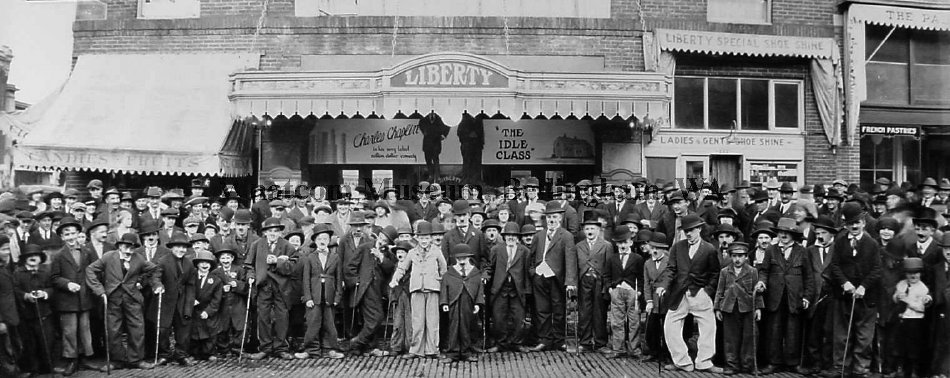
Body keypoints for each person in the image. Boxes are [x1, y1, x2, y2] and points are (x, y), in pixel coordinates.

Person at [655, 214, 722, 373]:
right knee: (670, 326)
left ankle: (704, 362)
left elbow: (714, 273)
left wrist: (707, 291)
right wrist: (663, 285)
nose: (689, 233)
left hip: (699, 293)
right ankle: (682, 361)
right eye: (686, 231)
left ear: (699, 229)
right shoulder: (678, 247)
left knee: (708, 327)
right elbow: (671, 269)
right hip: (679, 293)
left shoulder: (709, 249)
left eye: (692, 230)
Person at [85, 232, 161, 370]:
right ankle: (116, 360)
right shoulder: (109, 257)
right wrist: (99, 290)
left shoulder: (139, 258)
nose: (128, 251)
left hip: (132, 298)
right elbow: (90, 270)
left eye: (132, 248)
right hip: (112, 298)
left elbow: (154, 269)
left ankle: (136, 360)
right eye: (126, 247)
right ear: (119, 246)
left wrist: (144, 282)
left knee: (137, 328)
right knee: (113, 329)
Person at [824, 202, 882, 378]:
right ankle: (841, 366)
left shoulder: (872, 243)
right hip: (844, 296)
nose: (854, 226)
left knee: (864, 336)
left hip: (866, 297)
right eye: (850, 224)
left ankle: (861, 369)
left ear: (863, 222)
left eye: (857, 222)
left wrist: (864, 286)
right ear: (846, 225)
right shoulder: (840, 242)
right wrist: (845, 283)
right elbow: (834, 266)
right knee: (841, 334)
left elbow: (877, 269)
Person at [755, 217, 814, 374]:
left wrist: (807, 296)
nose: (783, 235)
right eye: (781, 232)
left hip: (795, 297)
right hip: (774, 297)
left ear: (793, 235)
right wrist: (762, 282)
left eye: (787, 232)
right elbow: (764, 271)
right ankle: (774, 362)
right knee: (774, 330)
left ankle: (793, 363)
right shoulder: (770, 250)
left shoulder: (803, 251)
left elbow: (809, 277)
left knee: (793, 330)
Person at [50, 217, 100, 375]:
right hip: (67, 300)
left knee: (85, 329)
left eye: (73, 233)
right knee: (69, 330)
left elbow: (93, 271)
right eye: (67, 234)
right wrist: (67, 284)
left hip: (84, 298)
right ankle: (72, 359)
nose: (71, 237)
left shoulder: (87, 252)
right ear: (62, 237)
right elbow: (54, 278)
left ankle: (85, 357)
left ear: (79, 233)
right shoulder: (58, 255)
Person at [389, 221, 445, 359]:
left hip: (432, 289)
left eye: (427, 238)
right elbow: (403, 268)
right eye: (421, 238)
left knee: (432, 321)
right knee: (417, 321)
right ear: (417, 238)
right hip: (416, 290)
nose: (424, 241)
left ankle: (432, 350)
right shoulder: (412, 253)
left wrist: (440, 282)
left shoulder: (437, 252)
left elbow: (444, 270)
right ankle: (416, 350)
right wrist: (395, 279)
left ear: (431, 238)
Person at [245, 218, 298, 360]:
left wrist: (278, 262)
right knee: (263, 317)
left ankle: (281, 348)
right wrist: (251, 276)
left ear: (280, 232)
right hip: (263, 286)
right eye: (270, 231)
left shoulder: (287, 246)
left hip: (282, 287)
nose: (273, 233)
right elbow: (248, 265)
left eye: (276, 231)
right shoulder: (257, 245)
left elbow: (293, 267)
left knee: (282, 317)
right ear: (265, 232)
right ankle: (265, 348)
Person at [714, 242, 764, 376]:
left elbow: (756, 291)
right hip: (729, 308)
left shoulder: (752, 271)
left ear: (746, 257)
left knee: (750, 337)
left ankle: (748, 365)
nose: (737, 259)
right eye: (734, 256)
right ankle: (731, 364)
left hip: (747, 306)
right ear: (730, 256)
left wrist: (758, 308)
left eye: (741, 256)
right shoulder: (725, 271)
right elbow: (719, 290)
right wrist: (717, 308)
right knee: (730, 338)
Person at [297, 224, 345, 360]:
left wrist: (337, 297)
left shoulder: (335, 257)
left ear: (329, 240)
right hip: (314, 295)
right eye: (319, 239)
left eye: (325, 238)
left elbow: (338, 278)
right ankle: (311, 350)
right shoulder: (310, 258)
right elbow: (305, 279)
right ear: (315, 241)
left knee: (330, 323)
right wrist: (308, 298)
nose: (322, 241)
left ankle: (331, 349)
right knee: (313, 323)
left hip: (329, 295)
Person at [151, 232, 197, 366]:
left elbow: (191, 285)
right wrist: (158, 286)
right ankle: (164, 354)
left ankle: (181, 354)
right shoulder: (163, 261)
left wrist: (189, 303)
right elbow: (156, 277)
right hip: (166, 300)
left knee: (183, 329)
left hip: (182, 301)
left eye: (184, 247)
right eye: (178, 247)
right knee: (163, 329)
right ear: (172, 247)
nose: (181, 250)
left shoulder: (189, 264)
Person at [484, 223, 530, 353]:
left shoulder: (524, 251)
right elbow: (490, 267)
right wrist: (485, 276)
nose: (511, 238)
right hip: (500, 287)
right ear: (504, 237)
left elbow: (526, 271)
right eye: (508, 235)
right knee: (499, 317)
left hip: (517, 288)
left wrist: (527, 290)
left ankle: (516, 343)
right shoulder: (496, 249)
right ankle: (501, 343)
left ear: (518, 237)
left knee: (518, 317)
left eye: (514, 235)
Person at [802, 216, 838, 375]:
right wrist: (807, 296)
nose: (820, 236)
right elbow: (808, 275)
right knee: (813, 332)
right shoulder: (810, 250)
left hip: (832, 298)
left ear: (831, 234)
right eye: (817, 233)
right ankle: (814, 363)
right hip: (815, 296)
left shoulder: (838, 249)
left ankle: (827, 364)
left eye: (823, 233)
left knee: (829, 332)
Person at [572, 211, 611, 353]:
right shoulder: (578, 246)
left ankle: (601, 343)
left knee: (599, 312)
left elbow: (608, 267)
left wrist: (607, 286)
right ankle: (585, 342)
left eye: (593, 228)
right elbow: (574, 266)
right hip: (584, 281)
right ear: (583, 230)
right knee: (584, 312)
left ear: (599, 230)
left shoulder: (606, 245)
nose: (590, 231)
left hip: (599, 282)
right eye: (587, 229)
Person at [440, 244, 485, 363]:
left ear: (469, 258)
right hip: (453, 302)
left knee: (467, 326)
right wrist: (444, 302)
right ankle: (452, 352)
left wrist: (478, 303)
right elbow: (444, 288)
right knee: (453, 326)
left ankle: (466, 351)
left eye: (464, 258)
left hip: (468, 302)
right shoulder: (449, 273)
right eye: (459, 258)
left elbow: (479, 289)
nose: (461, 261)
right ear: (455, 258)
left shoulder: (475, 273)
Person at [14, 244, 55, 376]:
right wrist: (25, 296)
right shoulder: (18, 273)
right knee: (30, 343)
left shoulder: (46, 271)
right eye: (29, 256)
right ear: (24, 259)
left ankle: (47, 367)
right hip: (27, 315)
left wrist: (44, 293)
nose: (33, 258)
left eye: (35, 255)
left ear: (40, 258)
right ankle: (33, 369)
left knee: (46, 341)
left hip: (44, 313)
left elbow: (52, 288)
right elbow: (15, 290)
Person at [603, 225, 644, 359]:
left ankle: (634, 349)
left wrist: (639, 291)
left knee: (634, 321)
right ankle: (618, 348)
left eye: (625, 242)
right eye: (619, 243)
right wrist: (610, 288)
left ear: (631, 242)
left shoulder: (637, 258)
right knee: (616, 321)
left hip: (632, 291)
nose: (622, 245)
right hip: (617, 291)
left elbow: (641, 277)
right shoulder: (612, 259)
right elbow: (607, 275)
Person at [891, 257, 931, 378]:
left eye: (916, 273)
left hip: (915, 321)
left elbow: (921, 308)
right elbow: (894, 298)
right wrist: (897, 297)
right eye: (910, 273)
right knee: (900, 345)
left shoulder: (922, 288)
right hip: (902, 320)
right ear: (905, 273)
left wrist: (907, 301)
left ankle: (914, 371)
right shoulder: (901, 284)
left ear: (921, 273)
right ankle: (900, 369)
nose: (913, 276)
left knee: (914, 346)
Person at [212, 242, 247, 358]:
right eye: (223, 258)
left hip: (238, 303)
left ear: (232, 258)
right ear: (219, 259)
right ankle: (223, 349)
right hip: (223, 304)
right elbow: (211, 289)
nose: (225, 260)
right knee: (223, 327)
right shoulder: (216, 272)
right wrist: (221, 290)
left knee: (239, 326)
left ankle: (237, 348)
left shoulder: (239, 270)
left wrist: (236, 284)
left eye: (228, 257)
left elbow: (246, 287)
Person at [189, 250, 223, 361]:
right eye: (202, 262)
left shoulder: (216, 281)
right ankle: (193, 353)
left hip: (208, 310)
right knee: (193, 332)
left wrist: (208, 311)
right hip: (193, 310)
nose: (204, 265)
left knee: (210, 332)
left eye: (207, 263)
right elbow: (185, 290)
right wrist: (191, 300)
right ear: (197, 264)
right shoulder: (191, 278)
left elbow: (216, 300)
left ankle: (209, 353)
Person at [641, 231, 669, 363]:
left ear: (664, 249)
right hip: (654, 299)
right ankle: (654, 351)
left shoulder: (670, 262)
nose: (655, 251)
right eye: (653, 248)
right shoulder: (647, 263)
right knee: (652, 327)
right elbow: (646, 284)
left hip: (666, 298)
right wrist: (649, 301)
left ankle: (667, 354)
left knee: (667, 327)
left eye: (658, 248)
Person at [388, 241, 414, 356]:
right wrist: (392, 296)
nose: (400, 254)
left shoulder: (412, 267)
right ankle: (396, 346)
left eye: (403, 252)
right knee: (397, 322)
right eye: (398, 252)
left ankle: (410, 347)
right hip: (398, 296)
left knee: (410, 322)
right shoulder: (396, 267)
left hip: (409, 295)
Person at [0, 235, 19, 377]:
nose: (8, 252)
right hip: (3, 319)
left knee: (12, 348)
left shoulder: (4, 267)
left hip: (11, 316)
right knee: (5, 352)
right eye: (4, 249)